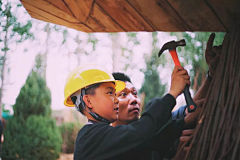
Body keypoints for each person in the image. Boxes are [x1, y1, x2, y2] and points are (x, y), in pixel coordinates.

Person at [112, 33, 221, 159]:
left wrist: (211, 75)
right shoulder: (109, 146)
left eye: (134, 93)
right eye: (123, 94)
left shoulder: (153, 128)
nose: (133, 99)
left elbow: (189, 113)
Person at [64, 64, 190, 160]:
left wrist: (183, 123)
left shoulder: (103, 136)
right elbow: (141, 133)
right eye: (110, 93)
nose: (116, 100)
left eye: (115, 94)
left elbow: (151, 142)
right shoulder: (90, 137)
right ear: (88, 101)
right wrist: (172, 94)